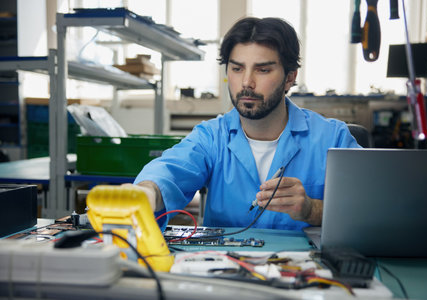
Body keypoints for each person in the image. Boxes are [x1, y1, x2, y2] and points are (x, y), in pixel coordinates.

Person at [133, 17, 360, 231]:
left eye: (263, 70)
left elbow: (369, 209)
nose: (246, 83)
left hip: (308, 271)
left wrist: (312, 209)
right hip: (225, 268)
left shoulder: (333, 138)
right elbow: (170, 170)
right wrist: (147, 192)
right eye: (237, 68)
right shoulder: (211, 137)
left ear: (290, 78)